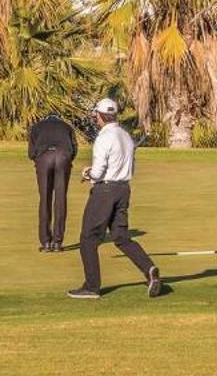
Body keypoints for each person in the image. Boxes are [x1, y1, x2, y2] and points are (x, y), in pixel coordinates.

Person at [69, 97, 162, 300]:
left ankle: (92, 287)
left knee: (88, 239)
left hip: (105, 191)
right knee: (120, 237)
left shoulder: (104, 138)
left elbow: (100, 169)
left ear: (99, 116)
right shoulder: (125, 136)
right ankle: (149, 270)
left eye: (96, 115)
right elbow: (131, 166)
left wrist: (88, 173)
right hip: (123, 189)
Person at [27, 111, 78, 251]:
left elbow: (31, 152)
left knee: (45, 199)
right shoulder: (67, 127)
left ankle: (46, 242)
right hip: (63, 158)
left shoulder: (37, 127)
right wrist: (67, 160)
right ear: (58, 118)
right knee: (60, 200)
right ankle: (57, 242)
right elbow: (74, 149)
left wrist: (38, 159)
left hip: (43, 159)